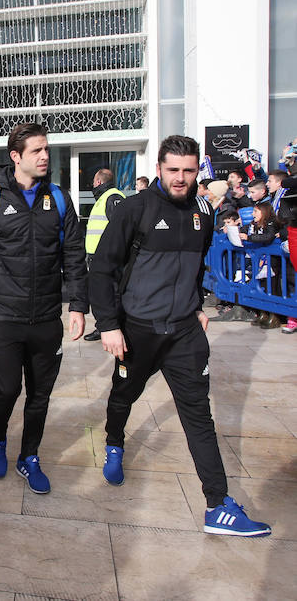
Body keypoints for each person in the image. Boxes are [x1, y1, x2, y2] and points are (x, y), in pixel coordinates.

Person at [88, 134, 271, 537]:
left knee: (198, 415)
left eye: (189, 171)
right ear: (159, 169)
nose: (181, 178)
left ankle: (218, 504)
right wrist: (109, 325)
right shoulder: (134, 210)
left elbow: (198, 264)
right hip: (138, 332)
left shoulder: (201, 213)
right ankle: (114, 441)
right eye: (173, 170)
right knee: (123, 395)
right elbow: (101, 270)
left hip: (185, 335)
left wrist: (196, 308)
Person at [0, 122, 87, 494]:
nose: (45, 156)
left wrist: (78, 304)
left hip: (47, 318)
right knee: (7, 390)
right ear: (16, 156)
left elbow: (74, 254)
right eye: (36, 151)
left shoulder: (59, 199)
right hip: (5, 317)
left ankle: (29, 456)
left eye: (47, 149)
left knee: (40, 395)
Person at [83, 168, 126, 341]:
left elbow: (119, 230)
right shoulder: (104, 198)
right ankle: (103, 326)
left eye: (94, 181)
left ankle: (109, 327)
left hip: (106, 258)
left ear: (99, 182)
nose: (93, 185)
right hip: (97, 257)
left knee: (110, 294)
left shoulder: (112, 198)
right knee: (102, 294)